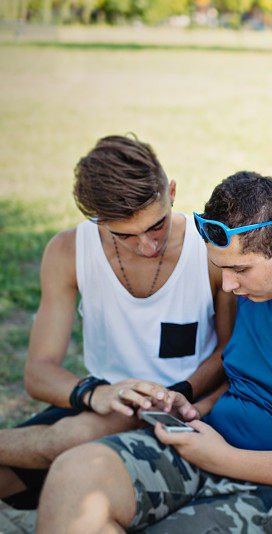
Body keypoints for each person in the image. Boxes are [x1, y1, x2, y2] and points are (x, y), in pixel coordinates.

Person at [35, 171, 272, 533]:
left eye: (239, 270)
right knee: (72, 476)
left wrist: (221, 457)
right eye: (221, 269)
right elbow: (245, 376)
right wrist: (194, 408)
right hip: (205, 445)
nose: (228, 285)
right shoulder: (257, 288)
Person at [0, 135, 234, 510]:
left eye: (156, 226)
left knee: (67, 443)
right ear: (97, 219)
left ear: (171, 192)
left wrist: (178, 394)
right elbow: (38, 373)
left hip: (186, 406)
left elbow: (229, 352)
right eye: (124, 234)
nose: (146, 246)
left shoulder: (208, 246)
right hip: (102, 402)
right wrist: (98, 394)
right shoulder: (67, 251)